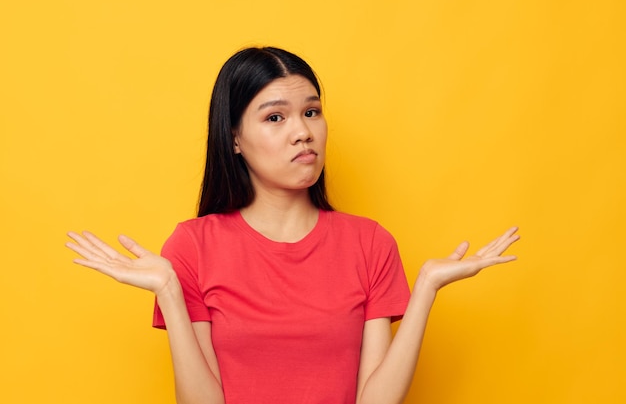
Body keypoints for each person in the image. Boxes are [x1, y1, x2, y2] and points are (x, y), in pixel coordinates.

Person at [65, 47, 520, 404]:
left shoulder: (370, 243)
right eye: (275, 117)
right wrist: (169, 290)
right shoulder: (192, 246)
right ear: (234, 139)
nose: (302, 131)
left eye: (312, 112)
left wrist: (425, 289)